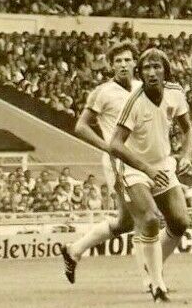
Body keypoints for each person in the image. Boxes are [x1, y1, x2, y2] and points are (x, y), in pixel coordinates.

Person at [108, 48, 192, 302]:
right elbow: (115, 144)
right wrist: (146, 169)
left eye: (157, 67)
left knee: (180, 222)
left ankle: (151, 266)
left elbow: (188, 130)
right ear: (140, 73)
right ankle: (157, 286)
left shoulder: (176, 93)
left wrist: (186, 155)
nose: (152, 72)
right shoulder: (133, 102)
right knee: (150, 219)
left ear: (165, 71)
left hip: (162, 164)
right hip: (134, 167)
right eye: (146, 68)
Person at [59, 43, 139, 284]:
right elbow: (80, 126)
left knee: (126, 222)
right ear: (111, 65)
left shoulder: (142, 88)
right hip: (119, 162)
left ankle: (74, 251)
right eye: (118, 61)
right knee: (147, 216)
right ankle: (153, 280)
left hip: (143, 159)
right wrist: (107, 146)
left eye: (127, 60)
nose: (123, 65)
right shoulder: (102, 92)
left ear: (135, 62)